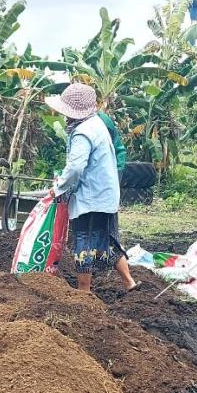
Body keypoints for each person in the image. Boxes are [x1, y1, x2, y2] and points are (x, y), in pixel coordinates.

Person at [46, 82, 136, 292]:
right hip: (105, 196)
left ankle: (83, 293)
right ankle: (129, 282)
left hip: (91, 199)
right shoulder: (96, 123)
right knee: (107, 241)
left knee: (83, 243)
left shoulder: (82, 132)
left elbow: (76, 167)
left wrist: (58, 187)